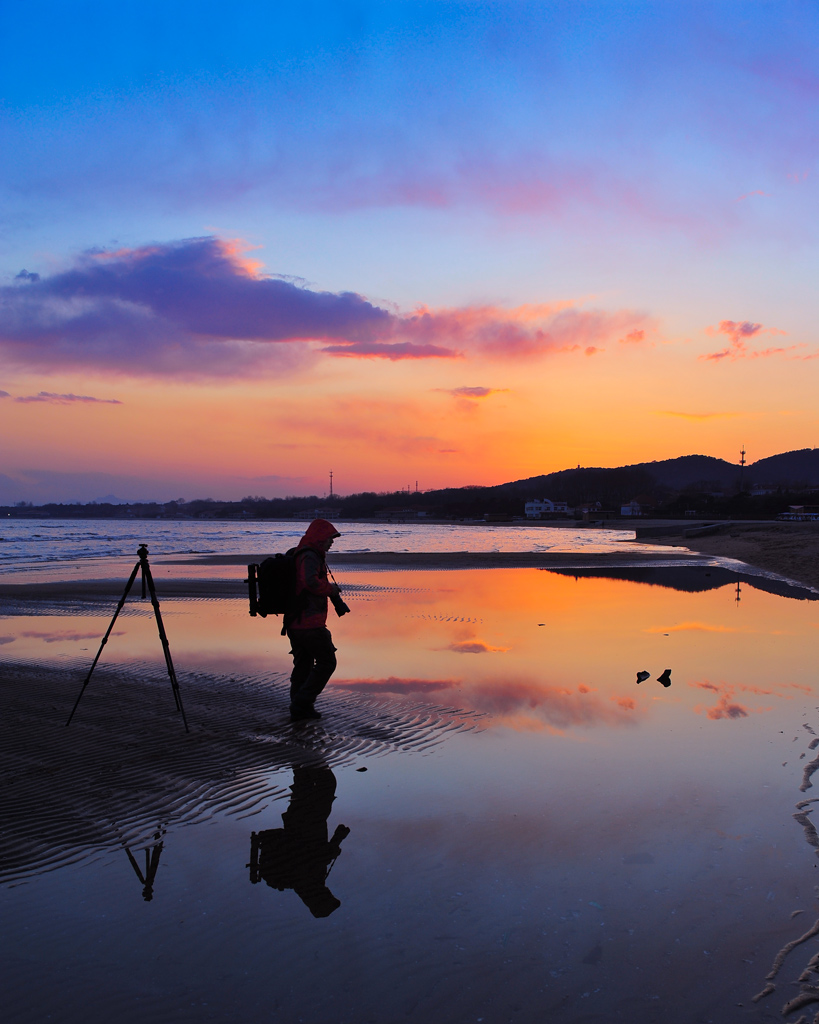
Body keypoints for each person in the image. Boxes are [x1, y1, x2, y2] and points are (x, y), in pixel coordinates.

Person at [284, 518, 344, 721]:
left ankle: (299, 707)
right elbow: (309, 582)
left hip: (296, 621)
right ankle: (302, 702)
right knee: (327, 662)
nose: (331, 542)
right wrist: (331, 589)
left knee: (303, 665)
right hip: (309, 622)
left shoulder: (304, 553)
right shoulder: (309, 556)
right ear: (319, 538)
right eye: (329, 538)